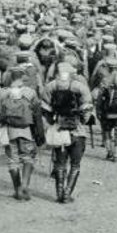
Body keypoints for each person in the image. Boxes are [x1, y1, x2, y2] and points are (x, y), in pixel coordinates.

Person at [42, 62, 92, 203]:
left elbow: (45, 109)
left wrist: (52, 122)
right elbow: (87, 110)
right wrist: (83, 119)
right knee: (75, 164)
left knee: (60, 163)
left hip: (59, 130)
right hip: (78, 131)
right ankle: (67, 193)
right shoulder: (80, 87)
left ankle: (59, 193)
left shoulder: (50, 86)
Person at [0, 66, 43, 200]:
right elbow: (37, 114)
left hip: (9, 133)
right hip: (27, 132)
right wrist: (40, 135)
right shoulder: (30, 92)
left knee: (13, 160)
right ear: (22, 78)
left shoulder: (4, 94)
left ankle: (17, 190)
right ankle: (25, 185)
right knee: (28, 158)